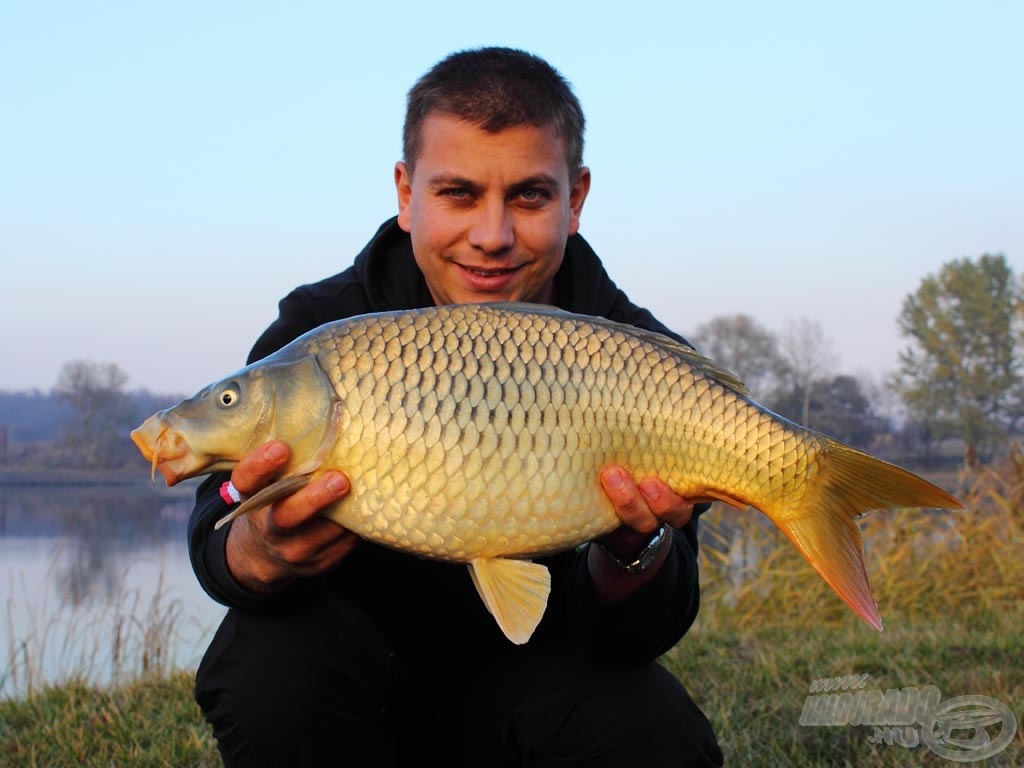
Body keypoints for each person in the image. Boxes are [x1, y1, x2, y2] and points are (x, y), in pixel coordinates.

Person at [189, 46, 723, 767]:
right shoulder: (321, 335)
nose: (493, 236)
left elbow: (636, 637)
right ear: (406, 193)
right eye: (459, 193)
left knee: (656, 732)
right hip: (358, 677)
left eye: (530, 196)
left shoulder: (643, 361)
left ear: (576, 198)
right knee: (263, 663)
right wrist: (258, 551)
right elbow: (215, 524)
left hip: (544, 675)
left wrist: (634, 551)